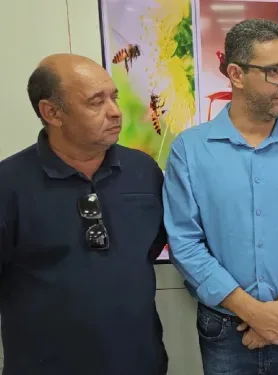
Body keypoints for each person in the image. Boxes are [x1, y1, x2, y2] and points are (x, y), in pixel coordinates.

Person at [163, 19, 278, 375]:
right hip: (226, 327)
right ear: (236, 74)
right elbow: (184, 242)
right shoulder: (191, 149)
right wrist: (254, 312)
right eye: (275, 71)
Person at [0, 54, 168, 374]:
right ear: (51, 112)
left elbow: (149, 246)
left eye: (114, 97)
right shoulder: (8, 185)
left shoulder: (143, 171)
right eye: (96, 102)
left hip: (140, 363)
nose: (115, 111)